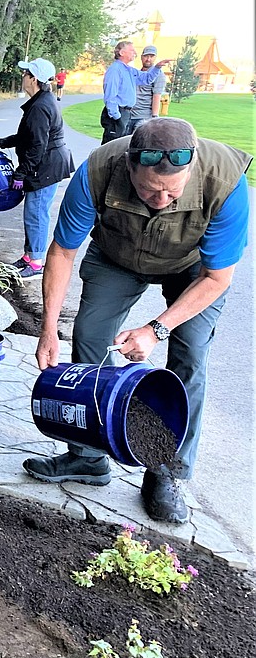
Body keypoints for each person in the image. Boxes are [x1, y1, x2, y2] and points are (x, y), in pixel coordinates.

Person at [25, 117, 250, 523]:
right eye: (149, 188)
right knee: (90, 337)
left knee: (191, 356)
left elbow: (218, 278)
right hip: (118, 257)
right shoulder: (97, 170)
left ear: (192, 169)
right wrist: (47, 330)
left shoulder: (226, 180)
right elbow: (61, 252)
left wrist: (156, 328)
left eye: (172, 191)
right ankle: (88, 457)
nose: (161, 199)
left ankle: (167, 473)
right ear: (130, 167)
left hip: (193, 270)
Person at [0, 57, 74, 278]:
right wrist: (10, 141)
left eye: (26, 74)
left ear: (34, 79)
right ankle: (29, 256)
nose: (23, 77)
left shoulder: (40, 106)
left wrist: (21, 173)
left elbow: (37, 146)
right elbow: (30, 136)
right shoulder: (42, 100)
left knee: (37, 213)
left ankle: (37, 263)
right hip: (46, 164)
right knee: (33, 212)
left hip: (46, 167)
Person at [100, 40, 167, 145]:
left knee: (122, 146)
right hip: (118, 113)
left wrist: (157, 67)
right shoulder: (115, 70)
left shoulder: (129, 70)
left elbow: (147, 79)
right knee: (111, 146)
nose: (134, 52)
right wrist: (117, 117)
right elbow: (110, 95)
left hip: (126, 113)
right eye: (131, 50)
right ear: (122, 53)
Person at [129, 45, 167, 134]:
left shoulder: (159, 75)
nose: (148, 59)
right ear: (141, 57)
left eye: (152, 56)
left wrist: (154, 117)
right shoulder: (137, 73)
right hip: (129, 115)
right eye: (146, 56)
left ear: (155, 58)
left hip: (143, 117)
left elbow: (156, 96)